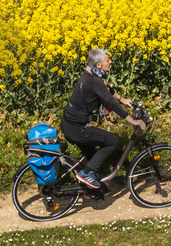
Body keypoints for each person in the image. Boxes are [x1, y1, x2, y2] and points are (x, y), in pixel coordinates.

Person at [61, 47, 144, 190]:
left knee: (93, 156)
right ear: (99, 65)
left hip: (69, 124)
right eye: (107, 60)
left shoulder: (90, 74)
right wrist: (132, 120)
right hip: (77, 129)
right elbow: (109, 101)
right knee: (113, 141)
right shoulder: (95, 80)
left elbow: (106, 90)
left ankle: (90, 189)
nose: (110, 61)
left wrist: (122, 99)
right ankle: (86, 175)